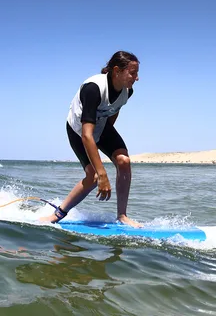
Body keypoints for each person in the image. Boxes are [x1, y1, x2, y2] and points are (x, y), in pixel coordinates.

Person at [41, 51, 142, 227]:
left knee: (124, 161)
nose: (136, 78)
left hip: (101, 126)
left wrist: (107, 132)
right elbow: (87, 135)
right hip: (79, 131)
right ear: (117, 70)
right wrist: (102, 173)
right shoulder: (93, 88)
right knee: (93, 177)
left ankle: (122, 216)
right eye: (132, 73)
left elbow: (115, 108)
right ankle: (57, 214)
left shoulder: (128, 91)